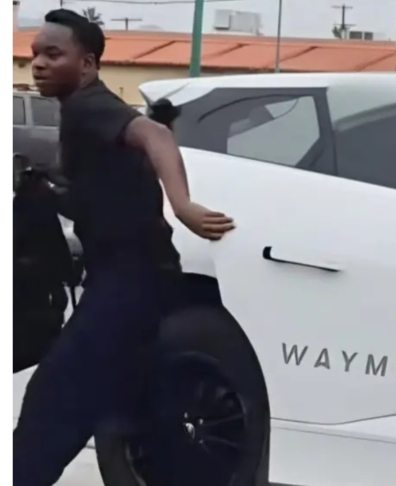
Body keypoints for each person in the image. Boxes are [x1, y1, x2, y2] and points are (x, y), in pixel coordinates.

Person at [14, 10, 236, 485]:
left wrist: (182, 205)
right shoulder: (81, 111)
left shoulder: (89, 107)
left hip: (129, 283)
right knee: (132, 410)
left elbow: (155, 135)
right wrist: (48, 189)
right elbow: (102, 189)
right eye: (35, 54)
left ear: (89, 64)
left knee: (52, 401)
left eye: (54, 54)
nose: (39, 64)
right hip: (140, 279)